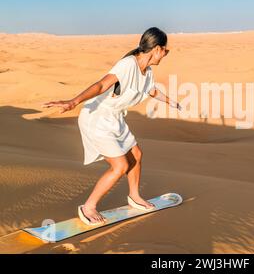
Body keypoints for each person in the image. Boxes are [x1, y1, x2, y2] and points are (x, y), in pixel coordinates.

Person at [42, 27, 181, 225]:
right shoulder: (127, 65)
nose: (166, 54)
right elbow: (100, 85)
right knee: (120, 166)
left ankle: (134, 196)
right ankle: (88, 207)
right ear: (157, 49)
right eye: (166, 50)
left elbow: (151, 91)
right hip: (97, 119)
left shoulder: (147, 71)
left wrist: (170, 101)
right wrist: (73, 102)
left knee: (137, 155)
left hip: (115, 118)